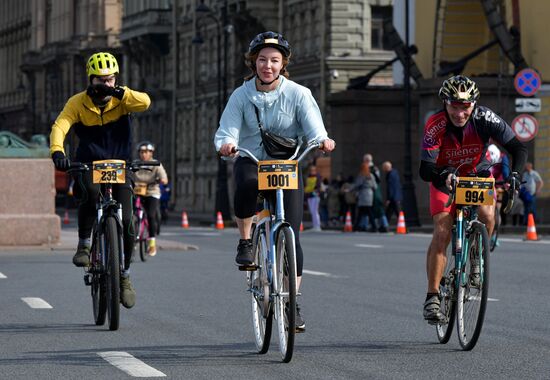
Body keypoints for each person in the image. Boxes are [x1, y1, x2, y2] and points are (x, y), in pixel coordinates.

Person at [214, 31, 336, 332]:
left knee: (292, 236)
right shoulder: (241, 95)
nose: (268, 65)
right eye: (262, 60)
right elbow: (227, 128)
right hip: (251, 158)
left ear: (283, 64)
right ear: (253, 62)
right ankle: (245, 241)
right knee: (244, 182)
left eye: (274, 61)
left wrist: (322, 140)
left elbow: (313, 125)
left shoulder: (298, 93)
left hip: (285, 163)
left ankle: (292, 300)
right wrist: (227, 144)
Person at [419, 75, 527, 323]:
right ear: (445, 103)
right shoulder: (435, 124)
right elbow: (425, 170)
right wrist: (443, 174)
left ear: (474, 104)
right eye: (454, 106)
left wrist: (515, 176)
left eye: (465, 106)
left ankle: (477, 257)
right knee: (443, 231)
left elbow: (518, 148)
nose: (459, 113)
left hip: (477, 174)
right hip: (444, 178)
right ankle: (432, 296)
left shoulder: (485, 118)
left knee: (488, 214)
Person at [49, 52, 151, 309]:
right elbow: (60, 126)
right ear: (90, 80)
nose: (105, 85)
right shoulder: (78, 103)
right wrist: (58, 152)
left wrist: (120, 93)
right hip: (88, 164)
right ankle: (84, 244)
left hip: (120, 165)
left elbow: (146, 102)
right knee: (90, 193)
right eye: (100, 80)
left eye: (110, 79)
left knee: (127, 219)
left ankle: (125, 275)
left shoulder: (123, 100)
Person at [134, 141, 169, 256]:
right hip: (137, 191)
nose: (144, 154)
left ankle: (152, 242)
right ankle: (132, 236)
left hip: (152, 191)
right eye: (142, 152)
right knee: (131, 214)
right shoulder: (135, 164)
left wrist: (162, 180)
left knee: (151, 215)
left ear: (151, 153)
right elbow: (128, 174)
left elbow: (164, 177)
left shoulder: (156, 164)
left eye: (147, 152)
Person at [351, 162, 377, 232]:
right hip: (370, 194)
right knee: (367, 211)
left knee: (362, 212)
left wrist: (349, 189)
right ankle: (372, 226)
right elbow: (375, 186)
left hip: (363, 194)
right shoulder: (371, 175)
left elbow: (357, 184)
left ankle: (357, 227)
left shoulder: (362, 175)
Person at [381, 161, 403, 225]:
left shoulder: (390, 175)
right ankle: (384, 226)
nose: (383, 169)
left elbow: (390, 187)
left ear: (386, 167)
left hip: (393, 197)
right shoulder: (395, 173)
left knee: (397, 213)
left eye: (383, 167)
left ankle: (405, 227)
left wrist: (388, 199)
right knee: (389, 212)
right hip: (396, 196)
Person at [304, 165, 322, 231]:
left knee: (315, 211)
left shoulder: (318, 176)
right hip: (309, 195)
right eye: (311, 170)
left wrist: (315, 190)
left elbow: (318, 186)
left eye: (313, 170)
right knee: (312, 211)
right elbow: (306, 185)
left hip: (315, 195)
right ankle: (315, 226)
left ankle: (318, 226)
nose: (312, 171)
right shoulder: (308, 177)